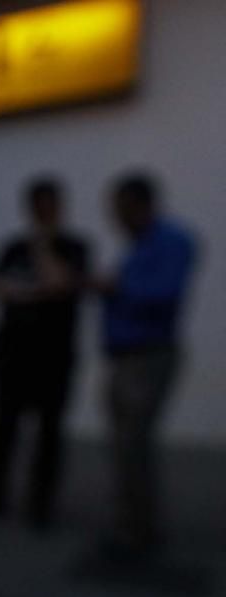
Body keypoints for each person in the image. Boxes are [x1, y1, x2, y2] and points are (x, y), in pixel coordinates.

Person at [0, 178, 90, 530]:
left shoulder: (73, 247)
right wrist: (31, 289)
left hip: (53, 357)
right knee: (3, 431)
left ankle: (41, 506)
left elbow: (61, 284)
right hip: (13, 356)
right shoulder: (13, 247)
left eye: (48, 206)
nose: (43, 213)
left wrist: (43, 250)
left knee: (49, 434)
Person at [90, 173, 196, 560]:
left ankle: (141, 531)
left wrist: (114, 288)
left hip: (147, 357)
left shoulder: (171, 241)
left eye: (120, 209)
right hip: (127, 358)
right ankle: (130, 524)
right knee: (124, 447)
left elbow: (164, 294)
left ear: (139, 205)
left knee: (133, 445)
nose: (115, 218)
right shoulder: (137, 247)